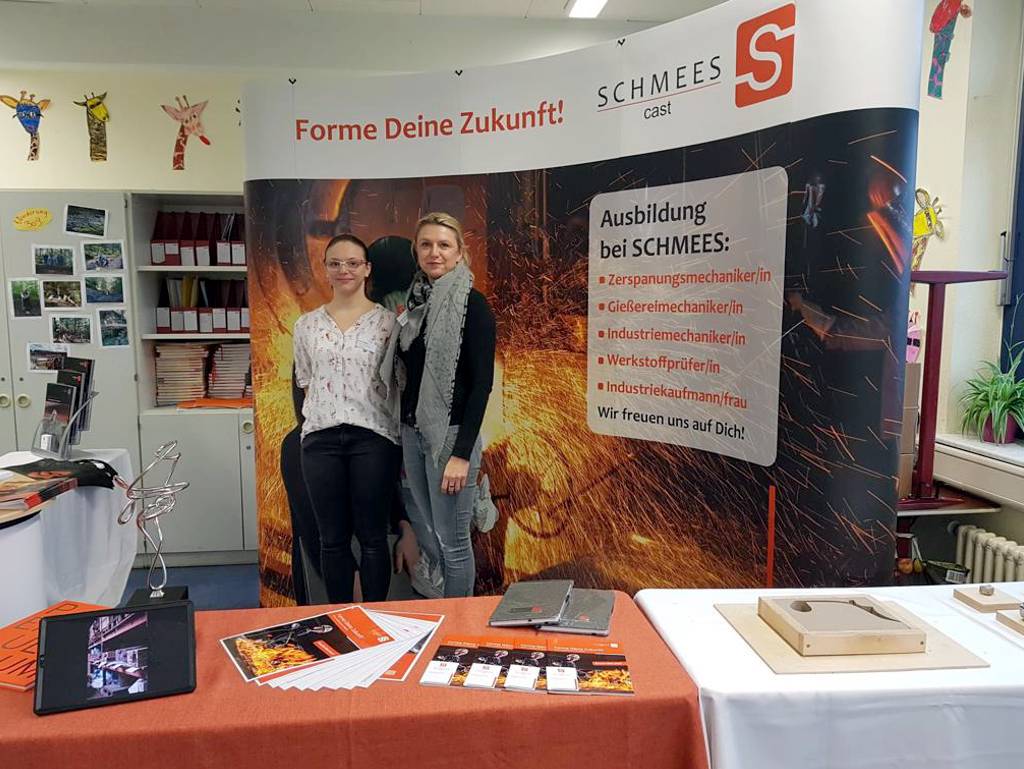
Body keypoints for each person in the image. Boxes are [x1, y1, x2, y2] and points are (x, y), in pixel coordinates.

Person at [385, 212, 496, 597]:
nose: (435, 252)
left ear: (459, 252)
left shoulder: (473, 305)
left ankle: (457, 621)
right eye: (427, 244)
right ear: (417, 251)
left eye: (444, 245)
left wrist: (461, 455)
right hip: (413, 433)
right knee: (432, 532)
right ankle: (445, 605)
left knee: (454, 542)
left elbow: (481, 385)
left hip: (449, 438)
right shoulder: (414, 307)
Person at [293, 233, 400, 603]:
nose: (344, 270)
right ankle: (339, 618)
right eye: (335, 263)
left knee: (372, 537)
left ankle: (375, 618)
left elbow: (396, 382)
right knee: (332, 539)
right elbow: (306, 381)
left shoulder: (388, 323)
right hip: (320, 440)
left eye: (353, 263)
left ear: (367, 269)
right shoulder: (306, 325)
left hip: (373, 437)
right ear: (325, 269)